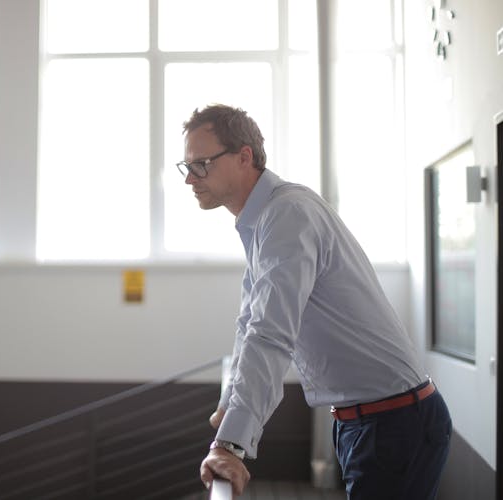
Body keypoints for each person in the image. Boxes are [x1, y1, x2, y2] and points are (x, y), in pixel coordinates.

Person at [177, 104, 452, 499]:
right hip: (367, 421)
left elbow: (271, 334)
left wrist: (230, 446)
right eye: (185, 166)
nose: (190, 178)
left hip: (394, 423)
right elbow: (249, 328)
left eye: (201, 164)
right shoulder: (263, 224)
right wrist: (229, 407)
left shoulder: (287, 214)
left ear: (244, 157)